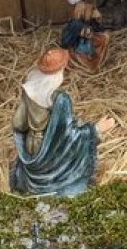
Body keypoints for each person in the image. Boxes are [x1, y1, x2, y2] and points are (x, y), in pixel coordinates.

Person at [10, 48, 117, 197]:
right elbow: (69, 137)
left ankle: (34, 187)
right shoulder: (60, 100)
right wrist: (95, 130)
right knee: (68, 178)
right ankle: (54, 188)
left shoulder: (29, 93)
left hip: (31, 144)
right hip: (51, 158)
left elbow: (18, 123)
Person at [63, 0, 110, 72]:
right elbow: (75, 23)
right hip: (80, 36)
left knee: (105, 36)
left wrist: (97, 18)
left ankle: (96, 63)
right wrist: (85, 29)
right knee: (99, 40)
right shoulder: (81, 5)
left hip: (89, 32)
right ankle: (87, 65)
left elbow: (93, 22)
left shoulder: (91, 0)